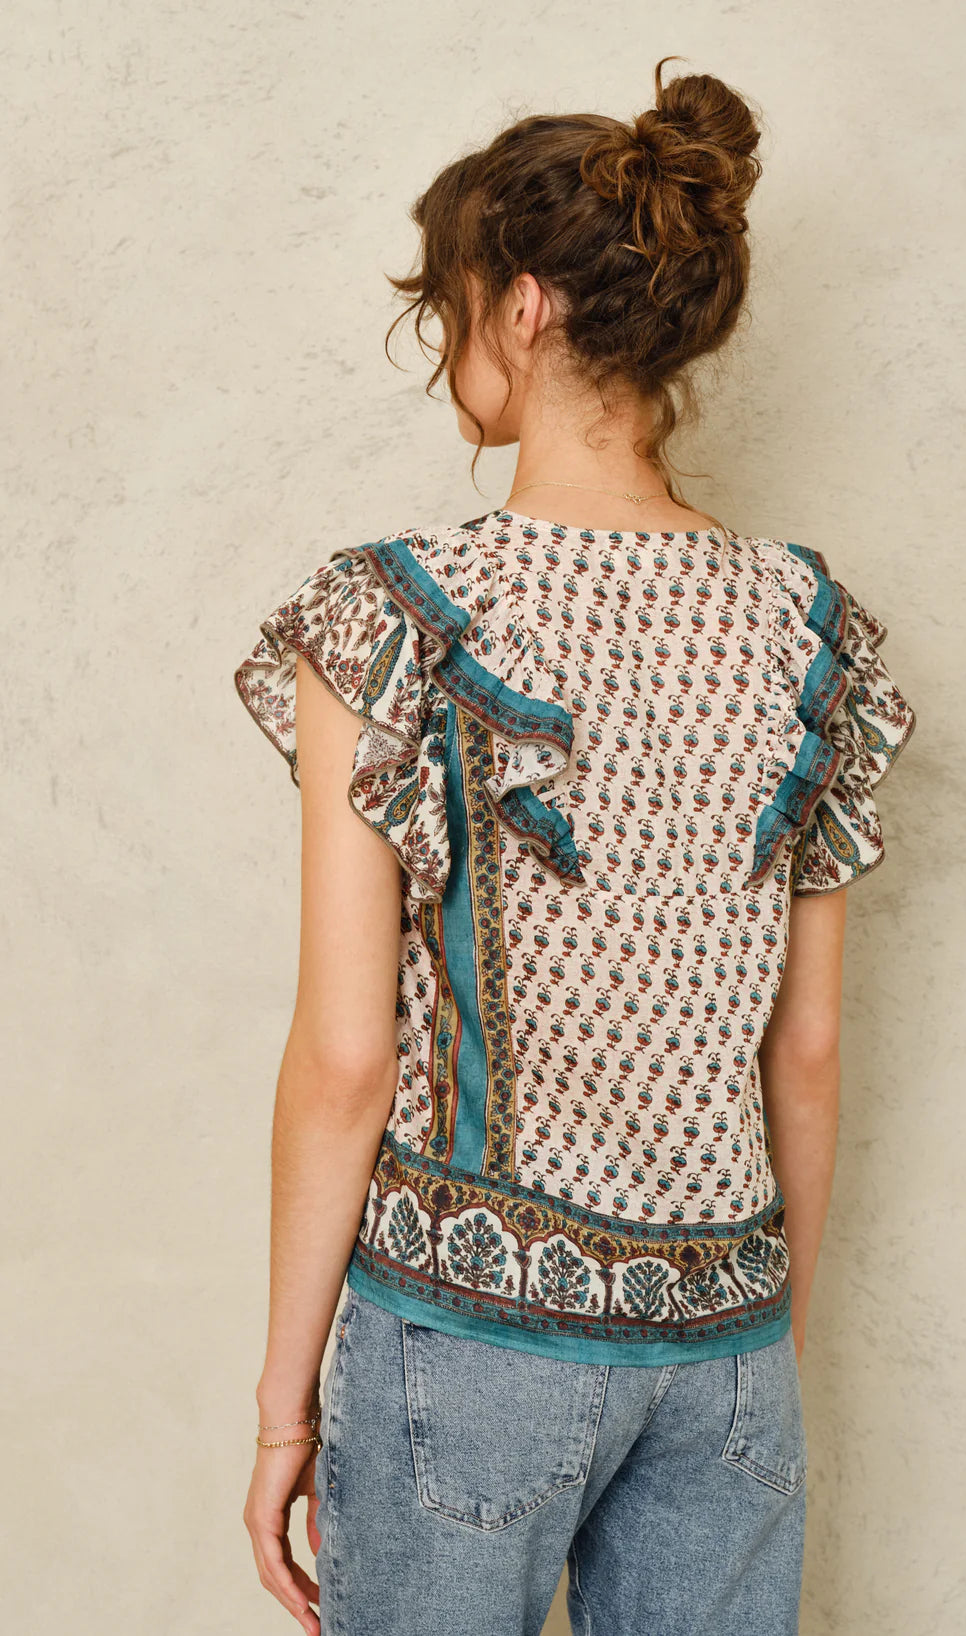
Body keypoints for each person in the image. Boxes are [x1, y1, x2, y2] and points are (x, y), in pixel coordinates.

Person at [236, 56, 917, 1636]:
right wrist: (753, 1350)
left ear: (525, 306)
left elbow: (346, 1057)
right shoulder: (808, 624)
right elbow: (807, 1049)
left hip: (465, 1350)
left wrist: (282, 1412)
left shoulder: (393, 615)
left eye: (452, 309)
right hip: (728, 1345)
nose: (444, 353)